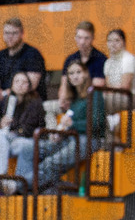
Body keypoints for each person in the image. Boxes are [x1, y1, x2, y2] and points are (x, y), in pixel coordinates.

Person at [24, 61, 107, 190]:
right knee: (31, 148)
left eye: (78, 72)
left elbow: (96, 123)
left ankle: (19, 186)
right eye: (71, 73)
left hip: (90, 139)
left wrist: (72, 124)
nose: (75, 76)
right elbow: (70, 125)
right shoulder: (75, 98)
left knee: (50, 163)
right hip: (71, 137)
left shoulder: (95, 94)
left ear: (86, 74)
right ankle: (32, 186)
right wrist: (61, 133)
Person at [0, 71, 45, 184]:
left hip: (29, 139)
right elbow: (2, 123)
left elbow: (29, 129)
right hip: (10, 138)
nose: (20, 84)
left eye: (24, 82)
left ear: (29, 86)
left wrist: (12, 128)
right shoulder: (8, 100)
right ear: (12, 85)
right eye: (17, 81)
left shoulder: (35, 103)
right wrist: (2, 124)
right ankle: (1, 179)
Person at [45, 21, 106, 128]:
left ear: (93, 38)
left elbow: (97, 88)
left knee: (78, 111)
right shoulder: (70, 59)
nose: (82, 42)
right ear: (75, 38)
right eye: (79, 37)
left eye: (86, 38)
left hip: (87, 102)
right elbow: (63, 84)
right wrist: (64, 100)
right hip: (71, 100)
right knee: (46, 107)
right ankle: (53, 136)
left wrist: (76, 103)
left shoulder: (100, 59)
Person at [0, 17, 47, 102]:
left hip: (28, 102)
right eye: (7, 33)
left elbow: (31, 85)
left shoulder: (33, 54)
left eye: (14, 33)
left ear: (22, 34)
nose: (10, 37)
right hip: (3, 101)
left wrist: (5, 94)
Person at [102, 29, 135, 115]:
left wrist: (110, 91)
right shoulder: (108, 63)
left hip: (131, 97)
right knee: (93, 100)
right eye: (109, 41)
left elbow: (125, 87)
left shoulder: (129, 59)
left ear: (124, 42)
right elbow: (108, 86)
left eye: (117, 40)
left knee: (96, 102)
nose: (113, 44)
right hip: (115, 96)